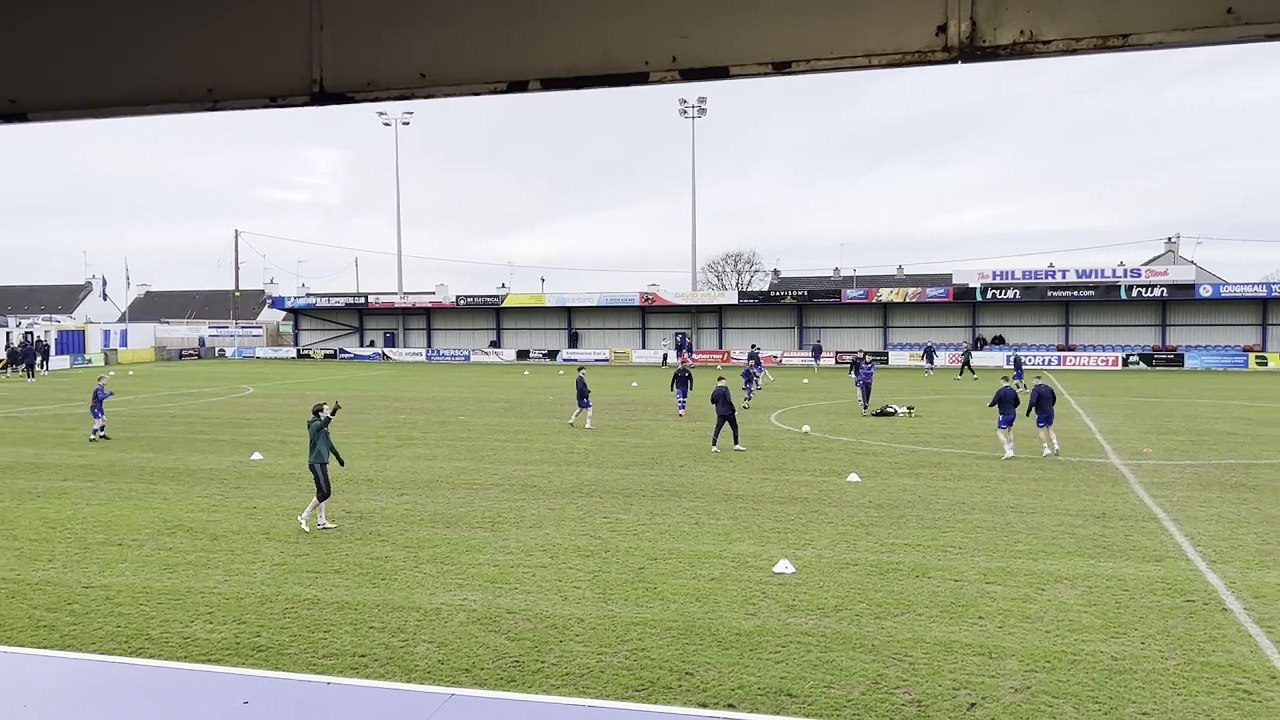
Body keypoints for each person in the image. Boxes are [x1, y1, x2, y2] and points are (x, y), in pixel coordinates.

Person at [298, 401, 344, 532]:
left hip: (322, 462)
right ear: (320, 413)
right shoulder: (315, 425)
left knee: (321, 492)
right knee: (325, 492)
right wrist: (334, 413)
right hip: (316, 463)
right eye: (326, 410)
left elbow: (328, 443)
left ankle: (321, 521)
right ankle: (305, 515)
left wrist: (338, 456)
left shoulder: (323, 427)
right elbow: (324, 423)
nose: (328, 412)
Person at [988, 375, 1021, 459]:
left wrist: (989, 405)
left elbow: (994, 402)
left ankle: (1007, 451)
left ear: (1002, 381)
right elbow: (1018, 402)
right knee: (1010, 430)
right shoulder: (1013, 391)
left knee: (999, 432)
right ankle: (1012, 450)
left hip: (1004, 414)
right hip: (1013, 413)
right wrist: (1012, 408)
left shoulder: (1000, 391)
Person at [709, 376, 745, 453]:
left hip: (720, 412)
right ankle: (736, 445)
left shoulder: (715, 391)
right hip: (728, 412)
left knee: (717, 429)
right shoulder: (725, 389)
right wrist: (734, 410)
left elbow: (712, 401)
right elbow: (729, 400)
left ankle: (713, 446)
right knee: (734, 427)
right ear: (722, 381)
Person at [1025, 376, 1060, 457]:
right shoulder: (1049, 388)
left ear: (1036, 381)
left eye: (1033, 381)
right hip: (1050, 411)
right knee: (1050, 429)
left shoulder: (1035, 390)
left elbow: (1032, 401)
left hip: (1041, 412)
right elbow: (1054, 398)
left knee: (1041, 430)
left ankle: (1046, 448)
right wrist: (1050, 406)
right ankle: (1056, 445)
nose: (1032, 383)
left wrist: (1028, 411)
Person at [89, 374, 114, 442]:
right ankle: (92, 437)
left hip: (99, 407)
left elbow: (101, 395)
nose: (106, 382)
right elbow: (100, 397)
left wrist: (108, 394)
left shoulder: (101, 387)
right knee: (98, 423)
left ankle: (101, 434)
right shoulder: (98, 388)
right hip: (95, 407)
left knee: (104, 421)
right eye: (106, 380)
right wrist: (108, 394)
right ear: (102, 380)